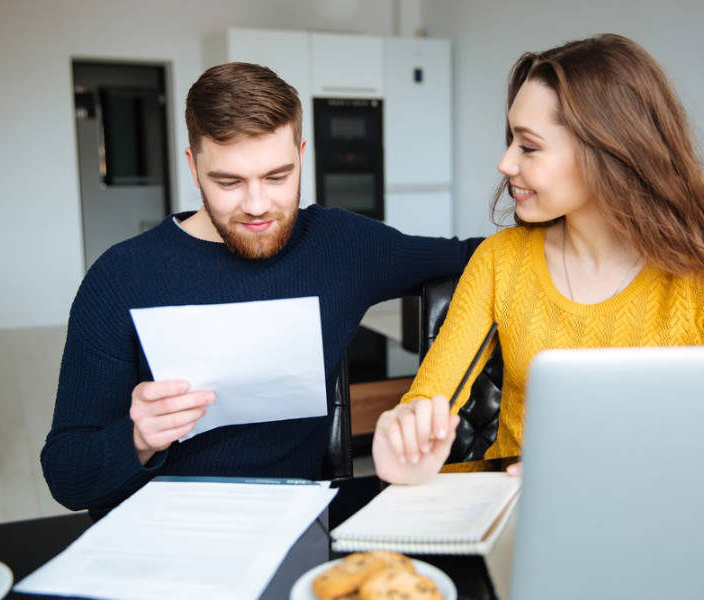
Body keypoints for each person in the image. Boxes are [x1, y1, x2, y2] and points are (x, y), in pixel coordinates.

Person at [41, 62, 482, 518]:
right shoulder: (120, 276)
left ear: (301, 155)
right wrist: (136, 440)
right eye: (228, 182)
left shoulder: (341, 246)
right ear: (193, 166)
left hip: (289, 520)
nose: (256, 206)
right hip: (158, 530)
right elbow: (66, 477)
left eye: (277, 177)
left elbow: (476, 256)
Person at [372, 33, 704, 485]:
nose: (505, 163)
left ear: (607, 152)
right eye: (511, 140)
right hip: (516, 510)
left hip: (667, 512)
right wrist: (403, 432)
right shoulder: (500, 260)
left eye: (528, 146)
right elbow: (429, 398)